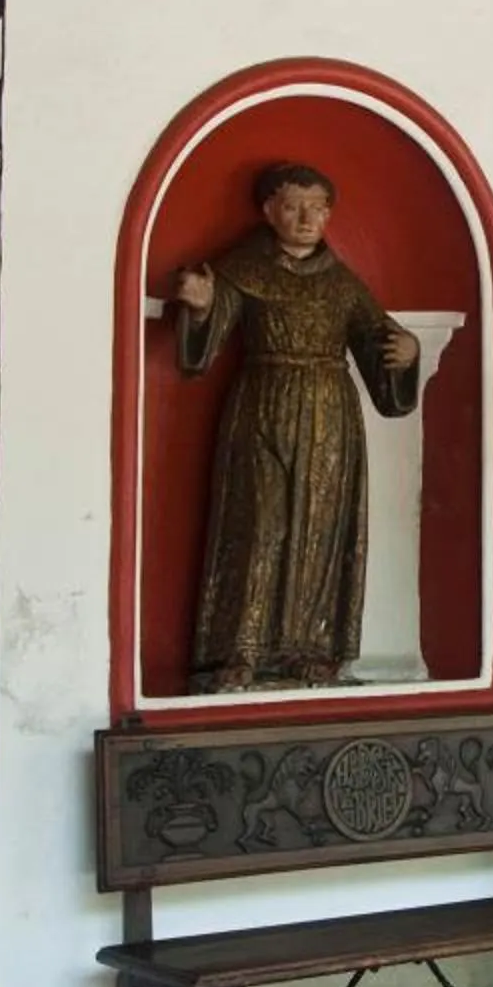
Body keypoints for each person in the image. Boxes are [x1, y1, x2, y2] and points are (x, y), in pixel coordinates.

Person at [170, 162, 420, 691]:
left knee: (321, 530)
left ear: (329, 214)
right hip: (263, 406)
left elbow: (380, 339)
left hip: (331, 417)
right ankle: (239, 649)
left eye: (317, 208)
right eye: (293, 206)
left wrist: (407, 351)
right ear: (269, 210)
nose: (306, 218)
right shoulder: (242, 269)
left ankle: (314, 647)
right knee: (258, 523)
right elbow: (211, 325)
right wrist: (199, 306)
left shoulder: (344, 284)